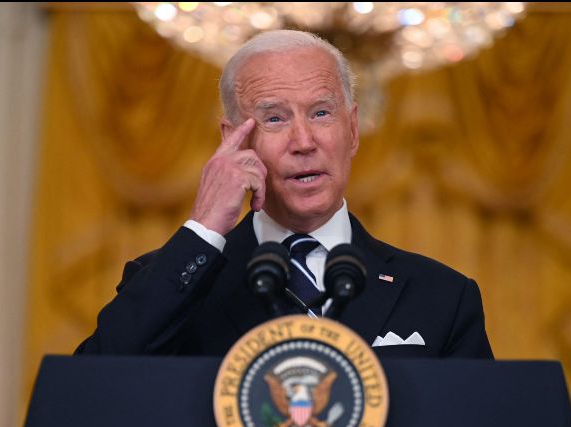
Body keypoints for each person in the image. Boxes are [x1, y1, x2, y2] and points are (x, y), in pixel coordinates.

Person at [75, 30, 493, 359]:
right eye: (274, 118)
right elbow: (91, 392)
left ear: (352, 130)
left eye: (321, 113)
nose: (304, 141)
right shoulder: (175, 282)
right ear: (235, 141)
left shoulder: (442, 295)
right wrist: (203, 229)